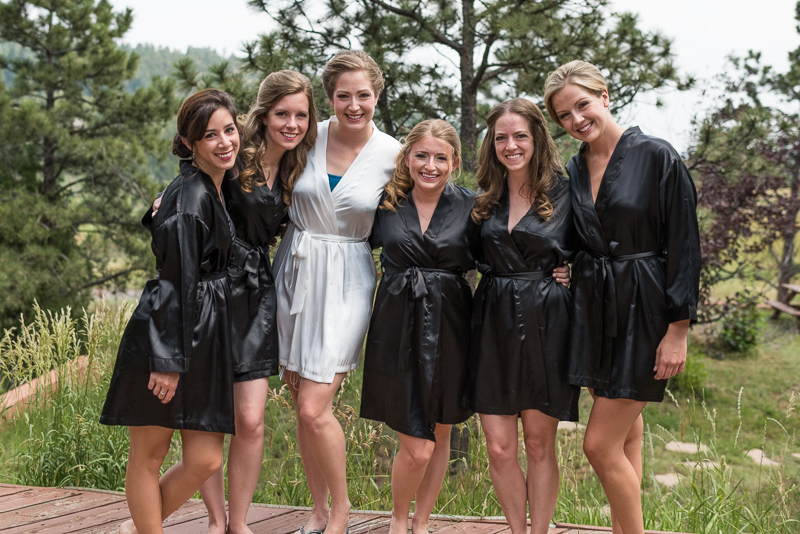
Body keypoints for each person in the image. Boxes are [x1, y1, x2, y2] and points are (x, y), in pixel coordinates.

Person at [543, 60, 700, 534]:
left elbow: (685, 246)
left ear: (604, 97)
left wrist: (678, 330)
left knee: (598, 445)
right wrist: (564, 266)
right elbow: (579, 235)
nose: (576, 120)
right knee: (627, 438)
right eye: (564, 115)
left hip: (645, 308)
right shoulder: (575, 167)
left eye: (582, 105)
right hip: (593, 308)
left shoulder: (657, 156)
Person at [100, 89, 241, 534]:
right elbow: (175, 283)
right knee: (149, 455)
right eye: (210, 135)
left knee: (205, 459)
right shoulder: (188, 199)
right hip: (166, 336)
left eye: (230, 130)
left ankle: (135, 528)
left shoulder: (213, 183)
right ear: (189, 142)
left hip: (204, 335)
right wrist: (167, 361)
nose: (224, 142)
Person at [272, 50, 401, 534]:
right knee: (300, 403)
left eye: (363, 95)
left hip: (348, 277)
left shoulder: (393, 154)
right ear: (329, 97)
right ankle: (318, 509)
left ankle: (342, 510)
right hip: (295, 268)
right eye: (343, 96)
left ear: (377, 95)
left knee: (314, 406)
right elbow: (252, 169)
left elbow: (435, 203)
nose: (354, 105)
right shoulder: (307, 134)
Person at [199, 70, 318, 534]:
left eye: (301, 115)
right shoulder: (234, 153)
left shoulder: (298, 168)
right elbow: (192, 186)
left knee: (250, 419)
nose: (292, 124)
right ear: (264, 115)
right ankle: (216, 521)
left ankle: (241, 522)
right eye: (282, 114)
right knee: (212, 416)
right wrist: (160, 204)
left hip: (256, 294)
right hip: (213, 288)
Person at [465, 98, 579, 534]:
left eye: (520, 136)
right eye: (501, 138)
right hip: (492, 322)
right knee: (498, 447)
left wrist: (577, 273)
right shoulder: (484, 199)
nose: (510, 145)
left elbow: (598, 248)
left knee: (538, 443)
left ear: (537, 139)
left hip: (547, 321)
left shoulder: (567, 192)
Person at [360, 119, 476, 534]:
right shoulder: (384, 203)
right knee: (416, 445)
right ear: (407, 158)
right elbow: (342, 236)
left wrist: (556, 270)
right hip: (397, 324)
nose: (430, 165)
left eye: (440, 158)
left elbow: (506, 250)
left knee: (441, 431)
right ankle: (397, 519)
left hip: (452, 324)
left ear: (454, 162)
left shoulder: (473, 207)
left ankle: (421, 521)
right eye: (422, 155)